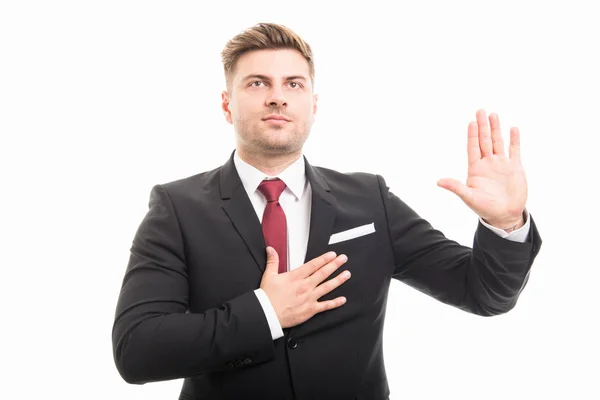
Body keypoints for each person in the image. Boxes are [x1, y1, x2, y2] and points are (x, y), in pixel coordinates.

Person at [112, 22, 542, 400]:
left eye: (293, 84)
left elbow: (483, 294)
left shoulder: (370, 198)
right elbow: (138, 350)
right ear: (227, 104)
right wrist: (265, 313)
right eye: (258, 83)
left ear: (313, 106)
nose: (277, 98)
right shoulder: (177, 207)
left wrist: (504, 224)